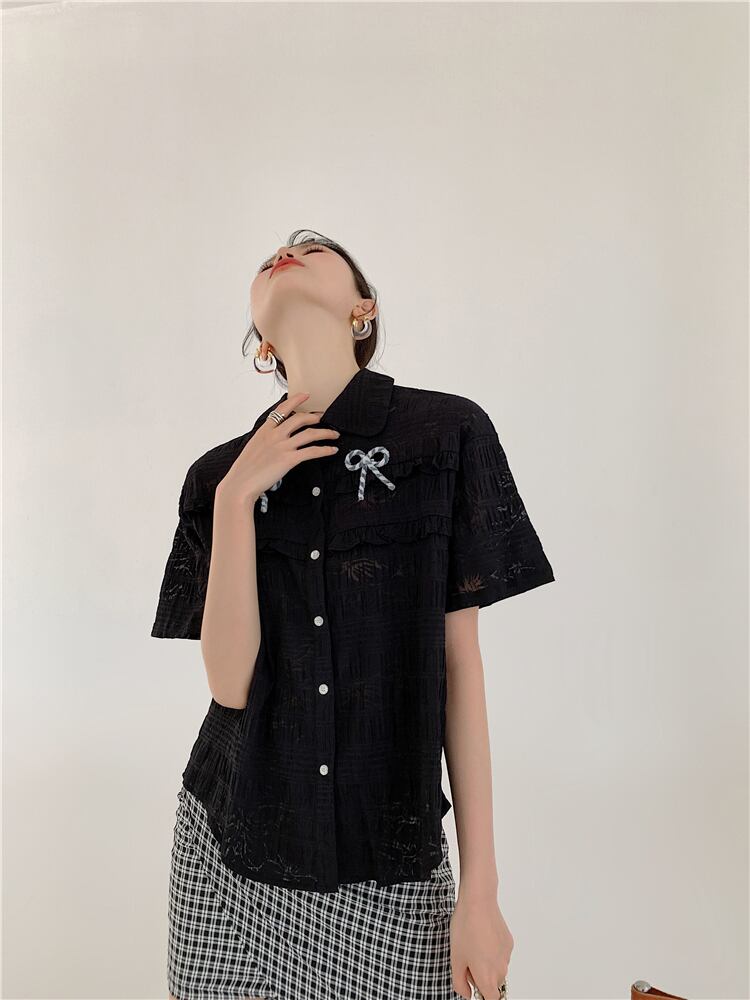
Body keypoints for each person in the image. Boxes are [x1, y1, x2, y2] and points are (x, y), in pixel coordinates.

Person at [152, 229, 555, 1000]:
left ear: (362, 309)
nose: (287, 250)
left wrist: (480, 892)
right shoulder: (216, 478)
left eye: (315, 248)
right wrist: (237, 500)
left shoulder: (446, 435)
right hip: (231, 848)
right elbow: (230, 686)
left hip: (391, 859)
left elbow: (459, 665)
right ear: (263, 346)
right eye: (272, 256)